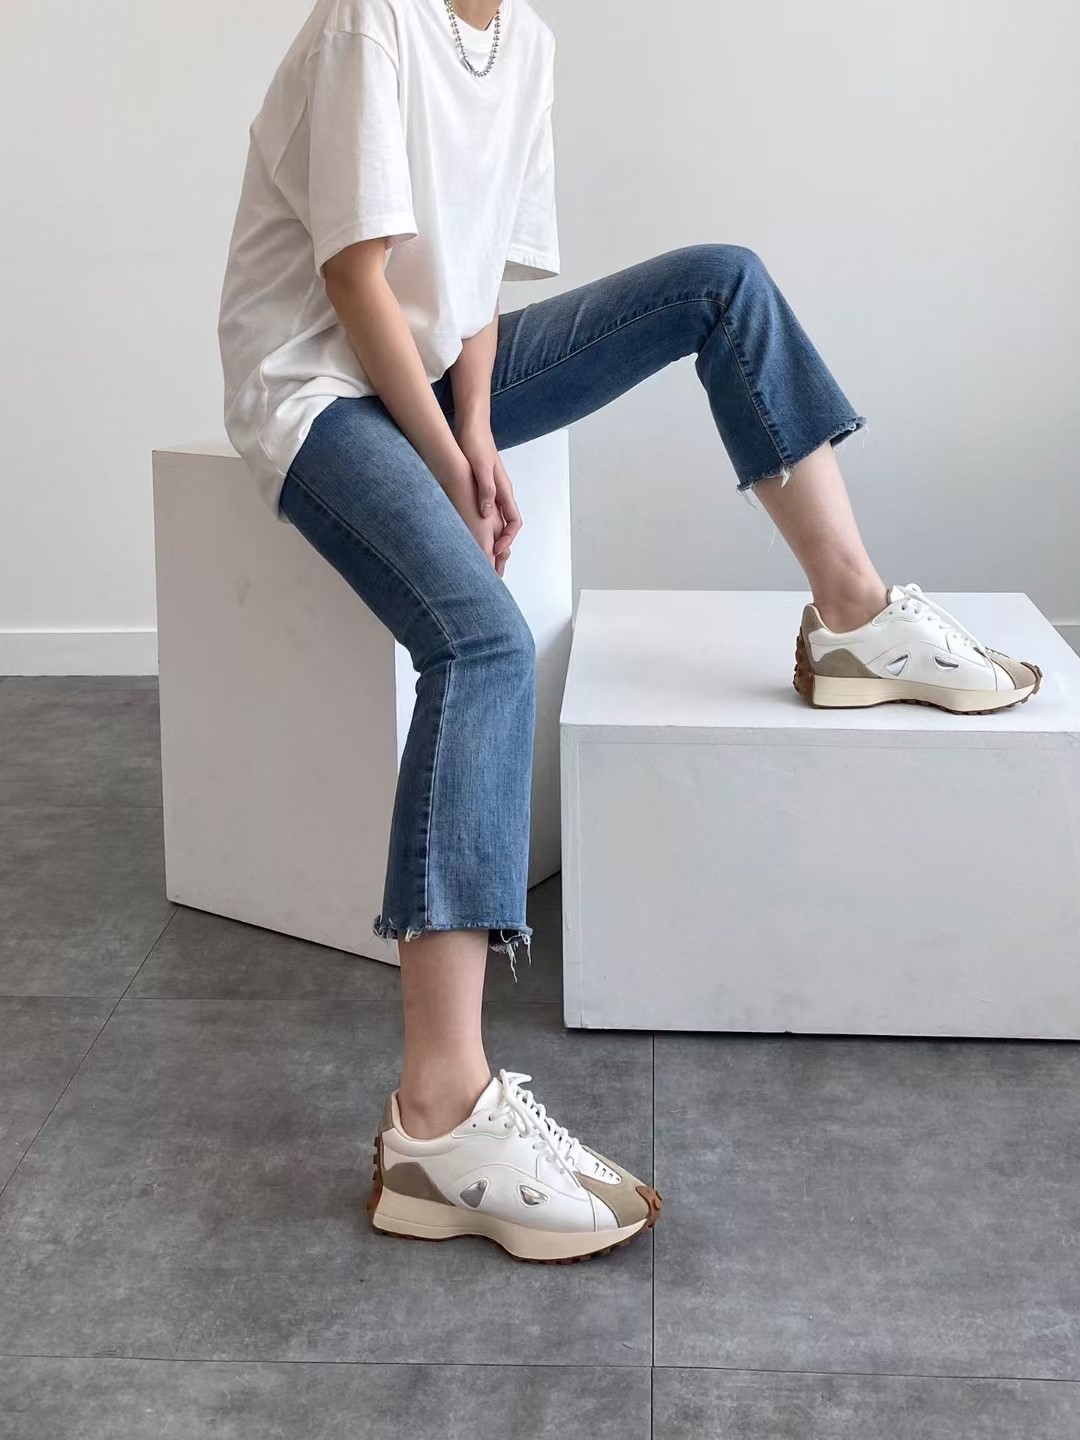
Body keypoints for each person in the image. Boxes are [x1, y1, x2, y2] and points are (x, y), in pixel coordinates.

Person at [217, 0, 1041, 1264]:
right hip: (318, 385)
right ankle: (438, 1116)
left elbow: (471, 285)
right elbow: (352, 279)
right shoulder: (373, 21)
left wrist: (476, 427)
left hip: (431, 378)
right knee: (483, 643)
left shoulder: (528, 46)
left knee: (722, 282)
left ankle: (854, 616)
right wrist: (444, 463)